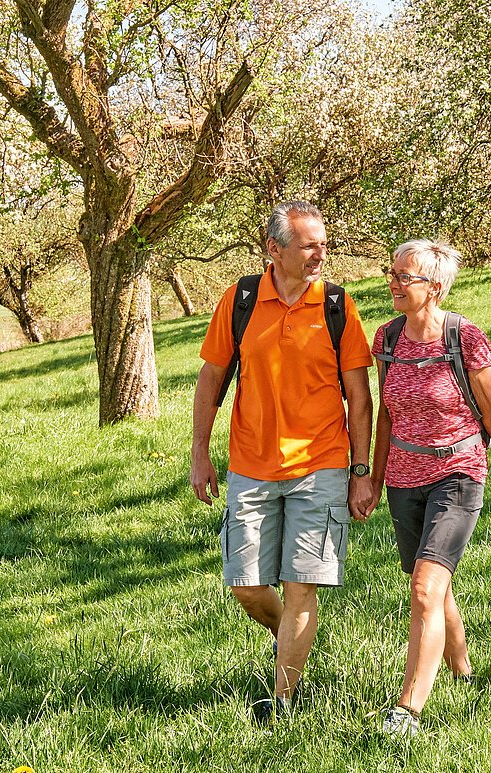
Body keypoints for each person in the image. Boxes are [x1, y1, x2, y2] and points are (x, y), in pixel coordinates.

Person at [190, 201, 376, 723]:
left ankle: (283, 701)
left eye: (323, 243)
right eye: (308, 245)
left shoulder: (338, 305)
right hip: (249, 466)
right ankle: (293, 638)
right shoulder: (241, 300)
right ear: (274, 249)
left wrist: (361, 472)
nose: (321, 254)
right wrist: (200, 451)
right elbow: (211, 379)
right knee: (246, 585)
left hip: (321, 466)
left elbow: (359, 398)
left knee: (301, 586)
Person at [366, 239, 491, 737]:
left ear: (435, 287)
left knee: (424, 588)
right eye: (391, 273)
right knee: (433, 587)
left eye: (405, 276)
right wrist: (372, 479)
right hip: (403, 477)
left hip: (459, 472)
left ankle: (407, 711)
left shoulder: (464, 338)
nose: (393, 283)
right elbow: (386, 416)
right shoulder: (387, 339)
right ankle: (462, 671)